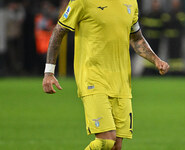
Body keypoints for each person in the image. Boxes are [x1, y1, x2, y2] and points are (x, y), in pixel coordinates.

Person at [42, 0, 169, 149]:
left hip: (121, 82)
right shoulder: (82, 1)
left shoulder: (131, 2)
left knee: (116, 146)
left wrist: (156, 59)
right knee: (106, 141)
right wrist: (49, 72)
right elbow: (59, 30)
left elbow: (137, 38)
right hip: (93, 77)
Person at [140, 0, 164, 75]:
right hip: (149, 39)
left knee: (157, 54)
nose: (156, 6)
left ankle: (155, 71)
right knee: (149, 55)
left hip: (157, 39)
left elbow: (163, 27)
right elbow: (143, 27)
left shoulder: (161, 15)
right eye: (154, 4)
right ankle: (148, 71)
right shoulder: (148, 14)